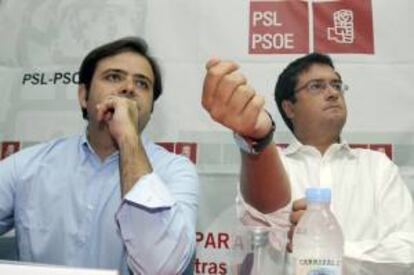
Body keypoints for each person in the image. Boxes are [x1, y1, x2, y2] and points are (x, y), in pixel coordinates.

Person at [0, 37, 199, 274]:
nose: (129, 88)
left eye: (142, 84)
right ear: (84, 96)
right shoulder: (26, 166)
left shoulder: (175, 171)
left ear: (151, 108)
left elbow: (161, 268)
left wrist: (128, 138)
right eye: (114, 77)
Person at [202, 53, 414, 263]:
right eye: (317, 86)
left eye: (337, 85)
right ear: (289, 108)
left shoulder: (377, 167)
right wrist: (259, 137)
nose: (332, 93)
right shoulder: (270, 166)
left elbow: (408, 250)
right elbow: (270, 223)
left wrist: (327, 247)